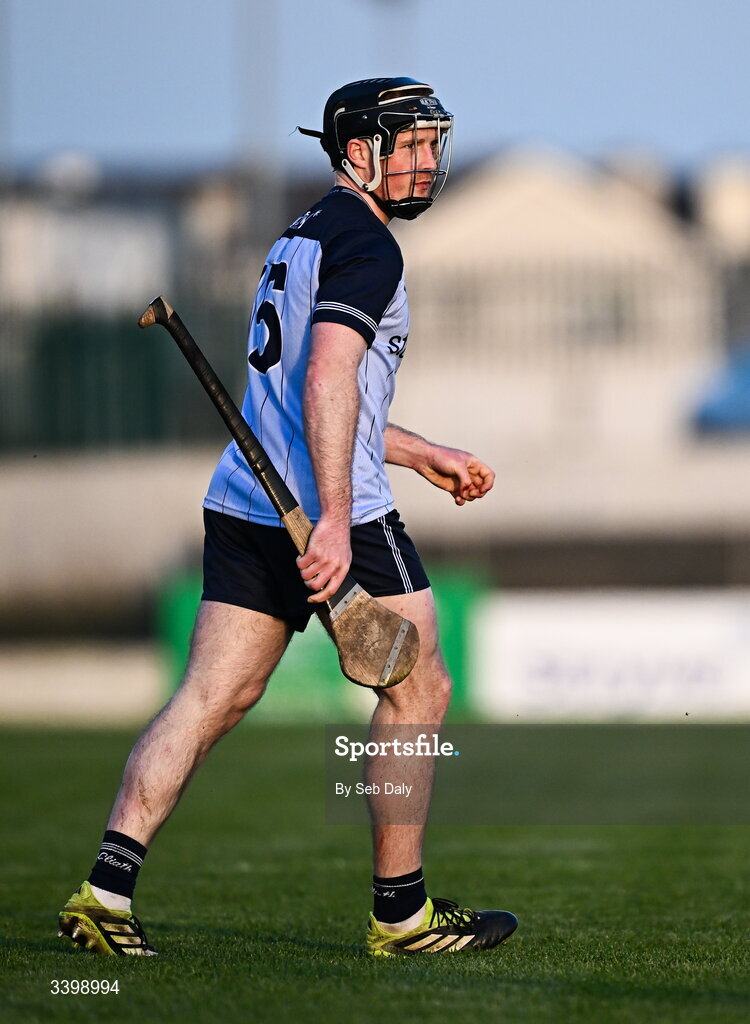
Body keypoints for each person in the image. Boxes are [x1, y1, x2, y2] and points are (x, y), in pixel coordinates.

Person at [58, 77, 518, 957]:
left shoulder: (299, 237)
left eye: (432, 144)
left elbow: (308, 402)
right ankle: (402, 917)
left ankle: (103, 896)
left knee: (209, 699)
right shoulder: (370, 250)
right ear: (357, 154)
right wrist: (340, 520)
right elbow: (325, 384)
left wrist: (424, 453)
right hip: (331, 509)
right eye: (408, 146)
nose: (427, 163)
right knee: (421, 688)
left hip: (246, 497)